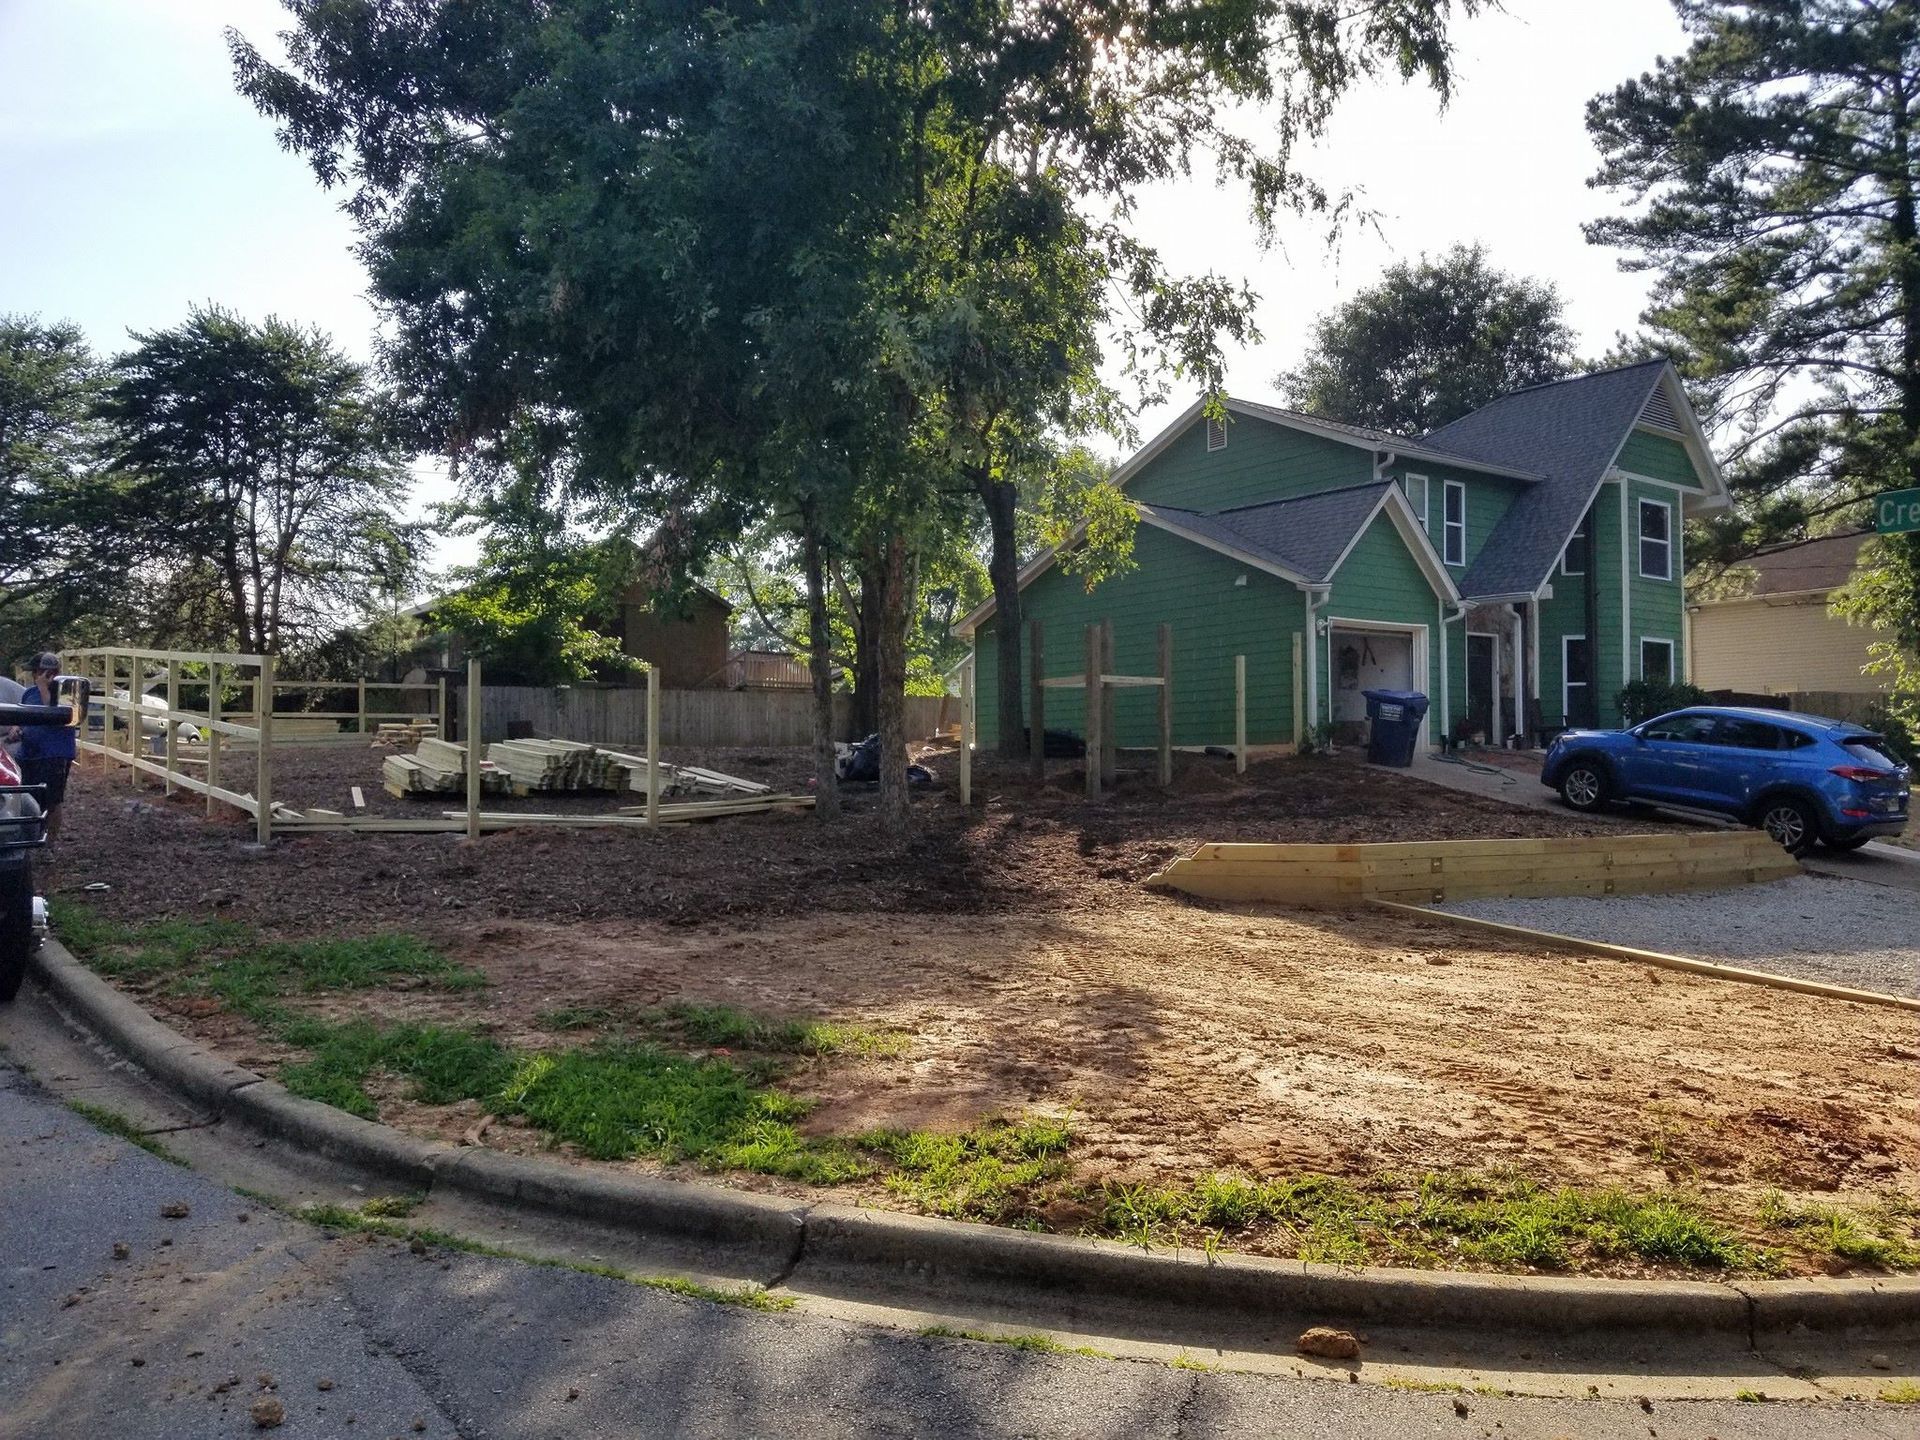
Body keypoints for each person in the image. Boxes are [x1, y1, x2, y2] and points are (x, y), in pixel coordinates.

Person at [13, 654, 75, 842]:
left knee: (52, 800)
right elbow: (23, 716)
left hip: (53, 755)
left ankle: (50, 842)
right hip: (29, 753)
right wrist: (17, 729)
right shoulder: (29, 693)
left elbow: (54, 714)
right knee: (25, 797)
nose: (34, 676)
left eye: (37, 672)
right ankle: (28, 834)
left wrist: (43, 687)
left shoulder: (66, 693)